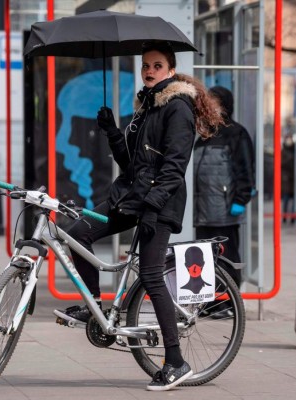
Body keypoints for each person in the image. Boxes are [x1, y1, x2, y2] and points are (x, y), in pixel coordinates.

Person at [59, 41, 223, 391]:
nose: (149, 71)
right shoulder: (147, 106)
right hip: (132, 197)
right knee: (77, 233)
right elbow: (133, 164)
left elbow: (174, 167)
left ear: (170, 70)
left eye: (157, 66)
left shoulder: (177, 107)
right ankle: (93, 308)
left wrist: (153, 207)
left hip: (159, 203)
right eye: (145, 65)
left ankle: (176, 362)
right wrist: (113, 133)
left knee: (150, 275)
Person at [193, 86, 255, 291]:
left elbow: (246, 170)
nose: (209, 107)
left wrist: (240, 200)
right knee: (203, 258)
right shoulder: (203, 137)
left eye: (214, 103)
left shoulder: (236, 133)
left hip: (225, 210)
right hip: (202, 211)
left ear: (225, 106)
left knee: (226, 258)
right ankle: (210, 301)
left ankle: (229, 302)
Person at [281, 132, 296, 224]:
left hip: (294, 179)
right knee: (286, 199)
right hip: (286, 178)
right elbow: (281, 164)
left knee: (294, 200)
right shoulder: (283, 151)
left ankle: (293, 217)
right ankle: (285, 217)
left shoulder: (295, 150)